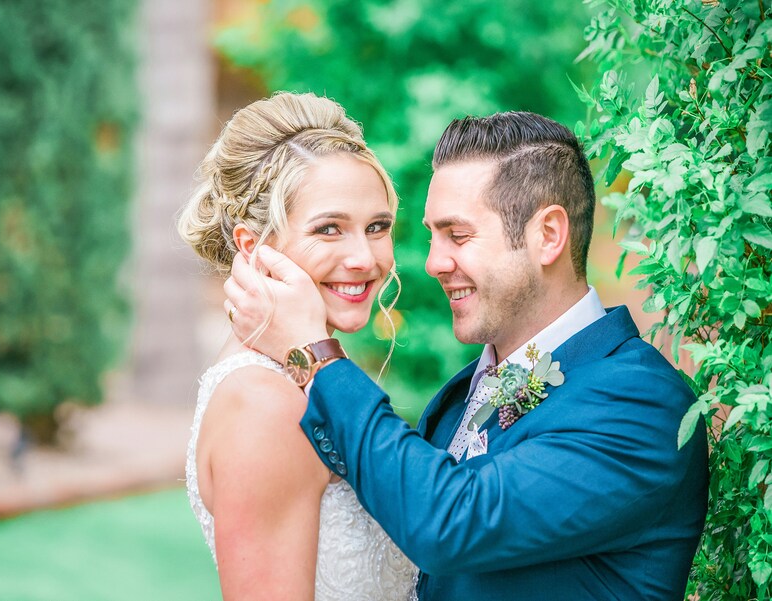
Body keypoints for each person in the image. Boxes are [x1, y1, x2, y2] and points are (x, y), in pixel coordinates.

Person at [224, 111, 709, 600]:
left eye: (457, 236)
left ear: (548, 236)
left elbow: (449, 521)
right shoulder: (461, 394)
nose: (434, 262)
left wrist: (316, 355)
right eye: (432, 235)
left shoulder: (641, 405)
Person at [177, 92, 417, 600]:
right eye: (329, 229)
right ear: (252, 245)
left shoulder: (300, 370)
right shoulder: (266, 405)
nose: (363, 257)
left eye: (377, 227)